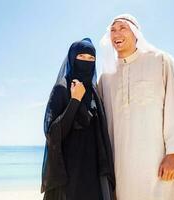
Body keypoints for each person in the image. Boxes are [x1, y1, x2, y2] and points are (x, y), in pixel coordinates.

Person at [98, 14, 174, 200]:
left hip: (157, 159)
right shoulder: (106, 77)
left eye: (122, 28)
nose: (117, 33)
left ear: (135, 33)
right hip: (120, 164)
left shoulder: (161, 61)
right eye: (113, 30)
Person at [41, 38, 115, 200]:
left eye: (91, 59)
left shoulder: (94, 91)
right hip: (69, 171)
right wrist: (75, 101)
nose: (86, 62)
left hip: (94, 169)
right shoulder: (61, 88)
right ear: (72, 58)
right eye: (81, 57)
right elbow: (53, 134)